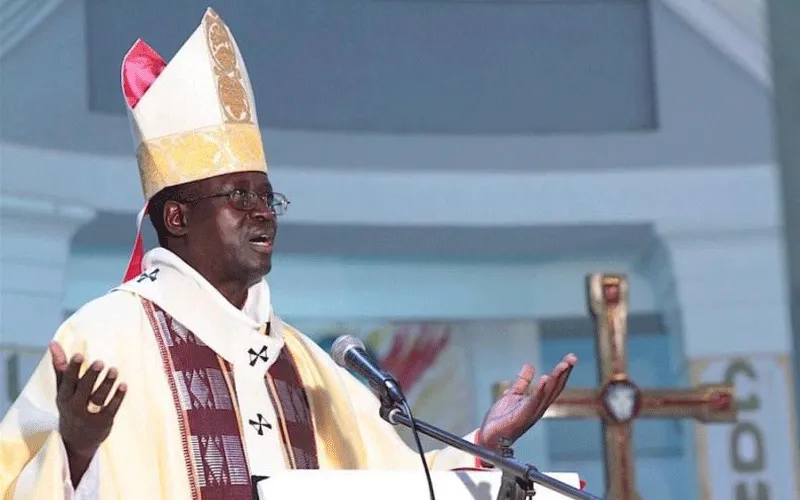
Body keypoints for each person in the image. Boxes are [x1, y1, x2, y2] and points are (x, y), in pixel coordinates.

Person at [0, 8, 577, 499]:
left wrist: (484, 447)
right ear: (175, 217)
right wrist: (75, 449)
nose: (264, 211)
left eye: (266, 194)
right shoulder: (104, 339)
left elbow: (394, 483)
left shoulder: (302, 362)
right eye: (238, 196)